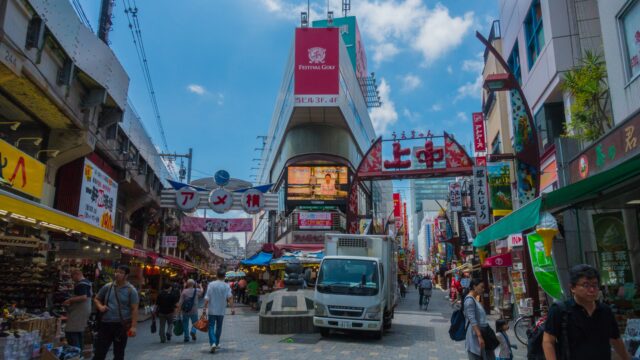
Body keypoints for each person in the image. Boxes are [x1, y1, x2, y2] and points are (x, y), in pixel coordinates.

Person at [542, 264, 631, 360]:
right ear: (572, 288)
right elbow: (548, 341)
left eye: (595, 285)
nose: (592, 290)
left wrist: (626, 358)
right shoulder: (560, 310)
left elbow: (615, 339)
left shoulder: (605, 311)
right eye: (586, 285)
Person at [93, 265, 139, 360]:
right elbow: (96, 299)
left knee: (118, 354)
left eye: (121, 272)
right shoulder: (108, 287)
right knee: (99, 353)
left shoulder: (131, 290)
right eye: (117, 271)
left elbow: (135, 309)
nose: (117, 274)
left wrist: (133, 327)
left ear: (126, 276)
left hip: (121, 325)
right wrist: (100, 307)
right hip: (106, 323)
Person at [203, 268, 235, 353]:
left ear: (216, 275)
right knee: (219, 327)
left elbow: (207, 297)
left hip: (212, 310)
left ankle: (213, 342)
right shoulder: (226, 285)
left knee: (211, 327)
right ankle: (216, 343)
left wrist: (204, 308)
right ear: (224, 276)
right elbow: (230, 297)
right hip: (221, 310)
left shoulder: (211, 284)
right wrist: (232, 308)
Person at [463, 278, 495, 360]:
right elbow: (472, 319)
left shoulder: (475, 299)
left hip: (480, 335)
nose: (483, 289)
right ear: (474, 286)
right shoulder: (469, 300)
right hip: (475, 336)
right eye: (481, 287)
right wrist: (479, 336)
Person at [63, 268, 92, 349]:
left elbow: (83, 297)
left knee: (71, 333)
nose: (72, 279)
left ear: (77, 274)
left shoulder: (81, 284)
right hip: (82, 312)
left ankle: (75, 354)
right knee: (78, 334)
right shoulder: (87, 282)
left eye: (72, 277)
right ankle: (79, 355)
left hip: (78, 313)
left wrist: (69, 300)